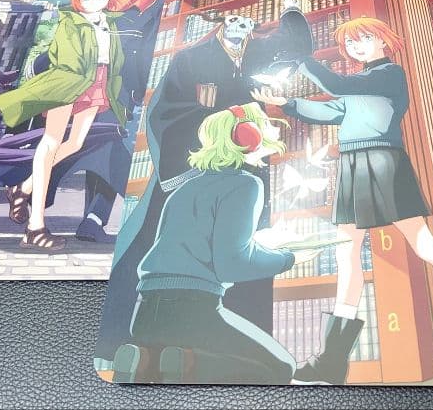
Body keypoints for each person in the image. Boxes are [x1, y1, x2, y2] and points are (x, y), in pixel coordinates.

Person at [252, 16, 433, 384]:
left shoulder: (389, 74)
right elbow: (335, 111)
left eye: (364, 38)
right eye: (350, 43)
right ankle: (332, 360)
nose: (357, 46)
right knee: (346, 251)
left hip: (382, 161)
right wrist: (287, 103)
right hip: (354, 164)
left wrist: (302, 59)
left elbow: (337, 86)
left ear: (384, 40)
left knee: (422, 243)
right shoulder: (361, 82)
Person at [112, 104, 318, 384]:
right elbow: (231, 264)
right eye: (264, 124)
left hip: (146, 312)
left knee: (163, 365)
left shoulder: (185, 188)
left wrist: (263, 245)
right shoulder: (246, 185)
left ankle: (144, 360)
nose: (271, 129)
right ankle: (187, 363)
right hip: (195, 310)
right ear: (248, 136)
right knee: (282, 368)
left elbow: (199, 245)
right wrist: (288, 259)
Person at [0, 0, 133, 252]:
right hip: (68, 82)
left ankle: (23, 188)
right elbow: (67, 60)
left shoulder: (110, 24)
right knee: (51, 142)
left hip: (97, 82)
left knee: (76, 143)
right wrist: (77, 82)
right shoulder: (70, 22)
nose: (94, 1)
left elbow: (115, 60)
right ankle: (35, 228)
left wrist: (111, 86)